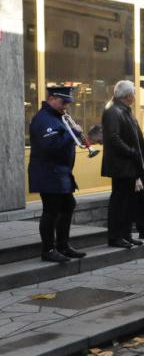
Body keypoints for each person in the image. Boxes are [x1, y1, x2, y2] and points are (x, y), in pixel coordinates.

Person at [27, 85, 88, 263]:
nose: (66, 106)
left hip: (60, 172)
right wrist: (73, 134)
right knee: (51, 211)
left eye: (67, 103)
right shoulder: (44, 119)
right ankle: (48, 249)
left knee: (68, 205)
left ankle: (63, 245)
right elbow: (50, 147)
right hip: (48, 173)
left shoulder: (57, 116)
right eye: (63, 102)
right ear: (52, 98)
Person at [101, 80, 144, 249]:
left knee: (129, 202)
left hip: (129, 165)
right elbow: (113, 138)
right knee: (119, 202)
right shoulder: (113, 111)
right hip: (121, 166)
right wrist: (132, 152)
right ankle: (115, 236)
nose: (135, 96)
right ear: (128, 96)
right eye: (134, 93)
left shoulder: (123, 110)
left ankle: (126, 234)